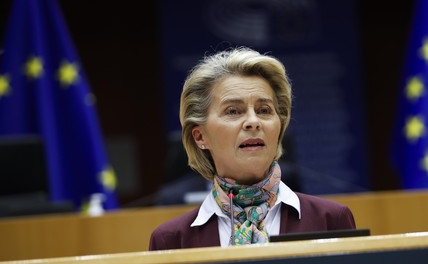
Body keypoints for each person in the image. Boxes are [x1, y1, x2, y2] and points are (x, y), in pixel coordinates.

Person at [149, 47, 356, 250]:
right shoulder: (171, 240)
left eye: (264, 110)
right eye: (233, 111)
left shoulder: (331, 220)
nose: (253, 121)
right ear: (200, 136)